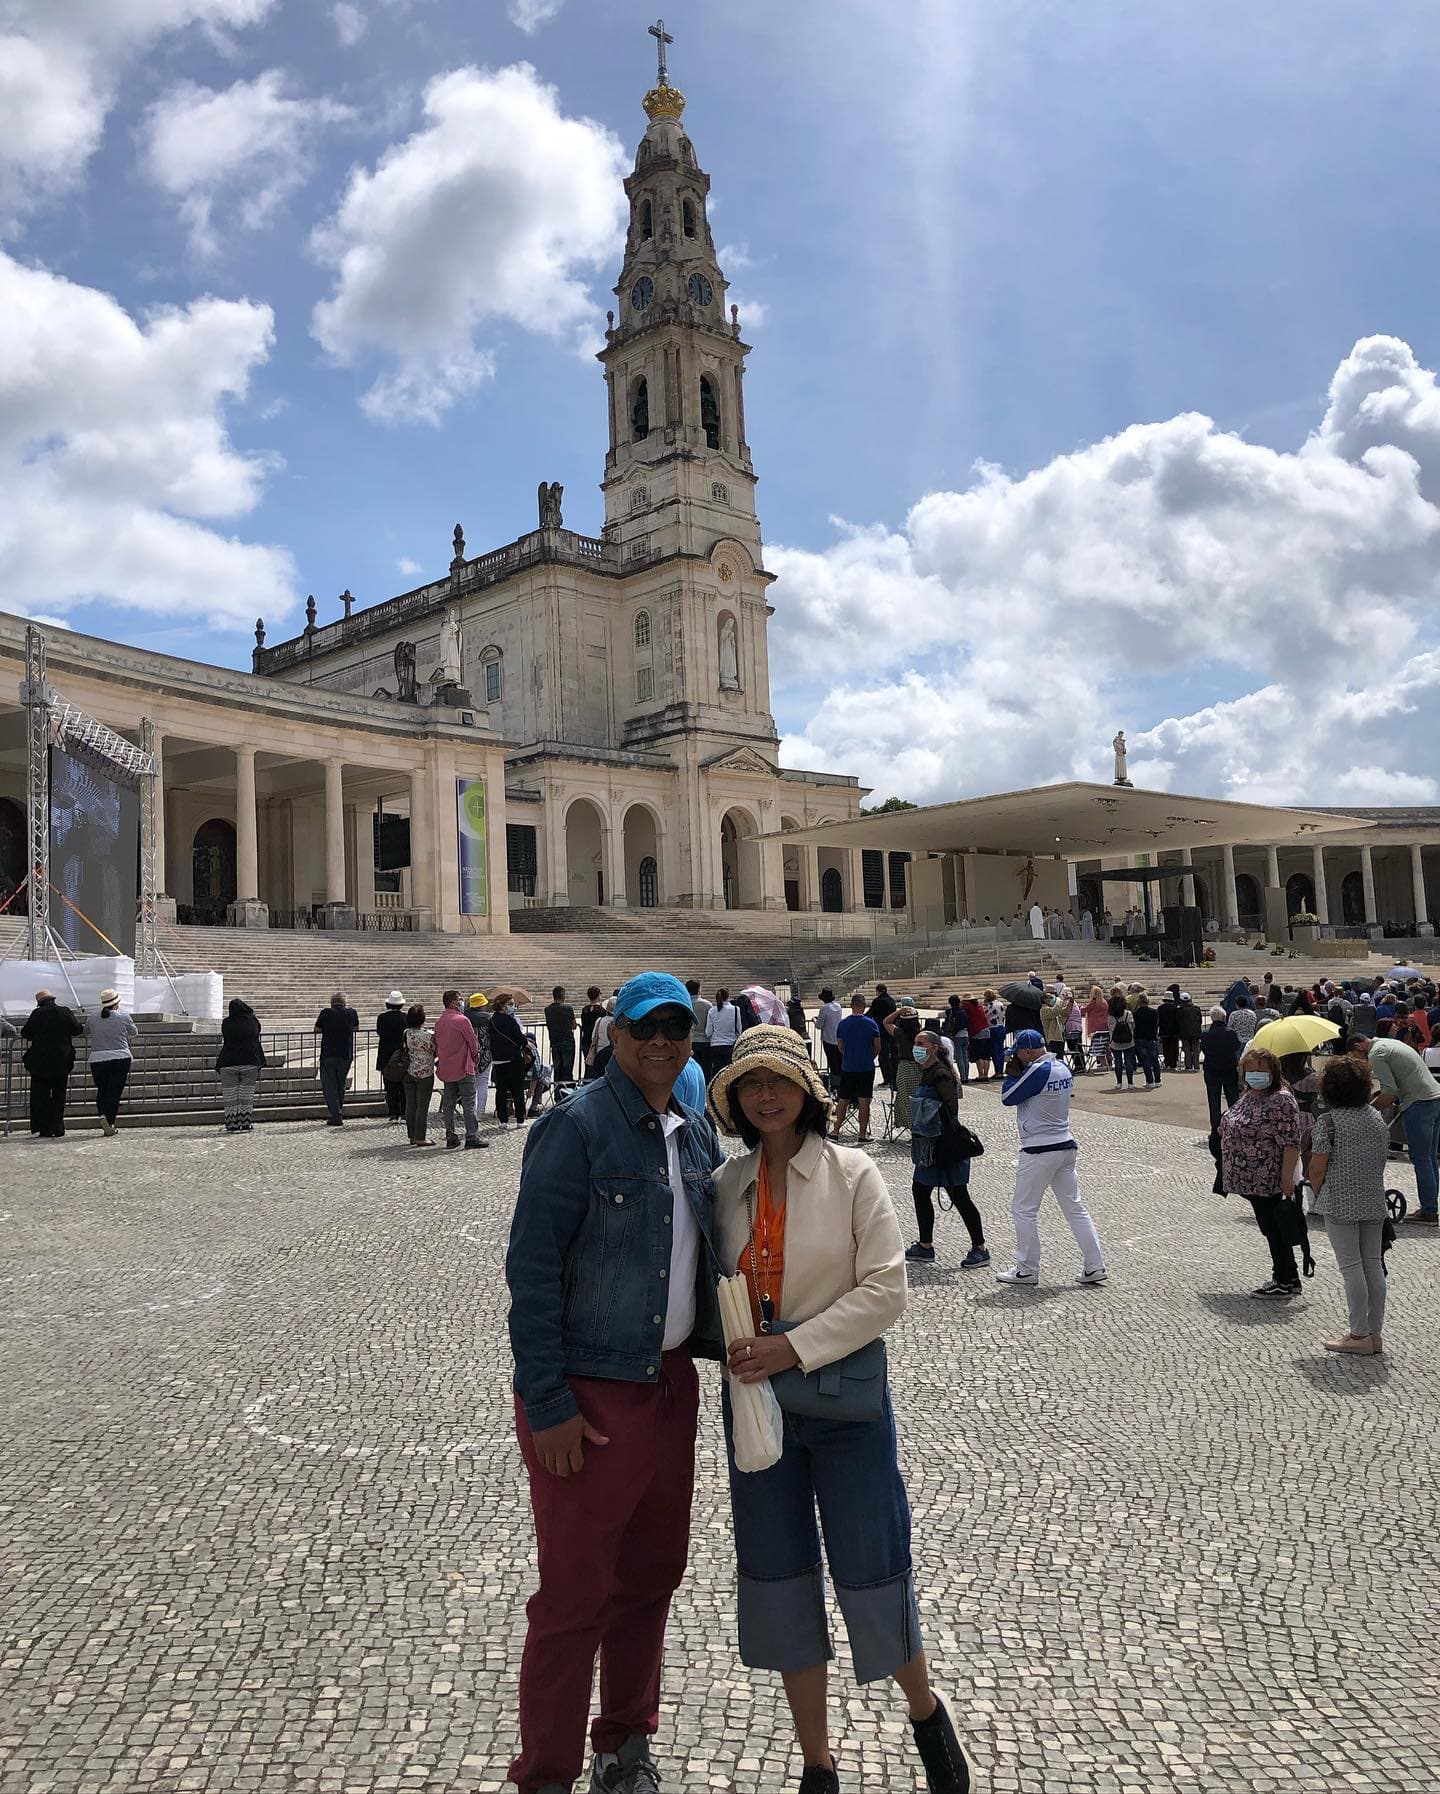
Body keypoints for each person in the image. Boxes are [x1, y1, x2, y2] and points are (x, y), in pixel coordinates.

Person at [708, 1025, 978, 1794]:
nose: (767, 1096)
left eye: (780, 1083)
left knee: (871, 1568)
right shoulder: (726, 1185)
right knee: (781, 1577)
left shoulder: (853, 1172)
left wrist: (790, 1347)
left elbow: (885, 1291)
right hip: (759, 1411)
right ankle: (817, 1765)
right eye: (752, 1084)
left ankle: (925, 1713)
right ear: (735, 1098)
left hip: (842, 1407)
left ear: (807, 1093)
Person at [504, 972, 723, 1794]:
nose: (661, 1041)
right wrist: (548, 1403)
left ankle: (625, 1742)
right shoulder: (577, 1127)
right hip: (592, 1395)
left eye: (676, 1027)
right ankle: (547, 1774)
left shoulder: (694, 1134)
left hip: (669, 1386)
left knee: (651, 1579)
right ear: (615, 1037)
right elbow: (532, 1271)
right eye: (645, 1028)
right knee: (573, 1598)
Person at [996, 1030, 1107, 1287]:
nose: (1016, 1060)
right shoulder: (1062, 1068)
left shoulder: (1038, 1070)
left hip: (1039, 1149)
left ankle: (1026, 1269)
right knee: (1075, 1208)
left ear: (1026, 1052)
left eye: (1017, 1056)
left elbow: (1007, 1097)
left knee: (1023, 1209)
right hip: (1064, 1144)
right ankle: (1095, 1265)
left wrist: (1012, 1074)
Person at [1308, 1054, 1390, 1354]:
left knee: (1351, 1267)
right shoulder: (1375, 1117)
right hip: (1373, 1199)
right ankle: (1374, 1332)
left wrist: (1319, 1194)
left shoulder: (1328, 1122)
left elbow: (1317, 1168)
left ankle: (1358, 1335)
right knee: (1373, 1265)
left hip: (1341, 1202)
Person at [1217, 1048, 1305, 1297]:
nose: (1255, 1075)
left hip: (1268, 1178)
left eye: (1261, 1071)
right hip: (1250, 1179)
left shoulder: (1281, 1099)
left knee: (1274, 1229)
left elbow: (1291, 1142)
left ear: (1273, 1072)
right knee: (1270, 1228)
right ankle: (1289, 1276)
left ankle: (1284, 1279)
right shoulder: (1250, 1093)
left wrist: (1287, 1178)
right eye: (1251, 1070)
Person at [905, 1030, 988, 1270]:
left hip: (944, 1144)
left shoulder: (940, 1073)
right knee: (920, 1191)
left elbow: (951, 1106)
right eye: (915, 1043)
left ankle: (980, 1247)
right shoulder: (928, 1071)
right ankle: (925, 1245)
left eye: (920, 1043)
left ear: (933, 1047)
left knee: (959, 1196)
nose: (916, 1047)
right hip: (930, 1146)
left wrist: (929, 1109)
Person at [1353, 1034, 1440, 1227]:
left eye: (1355, 1057)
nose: (1358, 1063)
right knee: (1430, 1158)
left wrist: (1365, 1111)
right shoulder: (1389, 1043)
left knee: (1421, 1159)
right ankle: (1430, 1207)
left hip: (1418, 1103)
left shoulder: (1376, 1054)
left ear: (1359, 1046)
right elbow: (1395, 1084)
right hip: (1434, 1098)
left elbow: (1389, 1094)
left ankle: (1429, 1212)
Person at [20, 988, 82, 1138]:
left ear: (40, 1003)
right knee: (59, 1095)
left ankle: (44, 1128)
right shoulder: (65, 1011)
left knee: (41, 1096)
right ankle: (58, 1127)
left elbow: (25, 1032)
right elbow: (77, 1029)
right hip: (62, 1060)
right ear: (53, 1000)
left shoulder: (37, 1014)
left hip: (40, 1062)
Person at [85, 987, 138, 1137]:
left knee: (102, 1089)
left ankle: (102, 1113)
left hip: (97, 1058)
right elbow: (134, 1032)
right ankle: (109, 1120)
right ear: (117, 1003)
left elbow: (86, 1032)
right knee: (114, 1091)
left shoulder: (93, 1017)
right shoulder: (123, 1016)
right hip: (119, 1056)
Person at [435, 989, 483, 1151]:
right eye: (461, 1000)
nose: (463, 1002)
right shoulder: (462, 1020)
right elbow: (473, 1043)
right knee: (469, 1102)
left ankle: (451, 1136)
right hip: (464, 1066)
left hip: (447, 1068)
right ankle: (471, 1136)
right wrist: (475, 1056)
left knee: (449, 1104)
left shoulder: (439, 1021)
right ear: (454, 1003)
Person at [833, 993, 881, 1144]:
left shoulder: (842, 1024)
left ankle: (835, 1131)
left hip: (848, 1066)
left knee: (843, 1099)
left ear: (851, 1006)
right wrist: (868, 1056)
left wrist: (849, 1056)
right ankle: (862, 1134)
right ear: (864, 1006)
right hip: (866, 1067)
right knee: (864, 1101)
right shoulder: (872, 1024)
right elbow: (877, 1047)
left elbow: (840, 1046)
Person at [215, 996, 265, 1132]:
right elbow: (257, 1031)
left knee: (230, 1096)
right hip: (249, 1062)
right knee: (246, 1096)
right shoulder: (252, 1022)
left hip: (228, 1062)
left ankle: (232, 1124)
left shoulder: (226, 1023)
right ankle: (245, 1123)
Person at [313, 991, 359, 1126]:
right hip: (345, 1053)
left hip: (328, 1054)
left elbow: (316, 1029)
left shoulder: (326, 1013)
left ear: (332, 1003)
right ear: (344, 1003)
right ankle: (338, 1110)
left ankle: (335, 1114)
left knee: (329, 1085)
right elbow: (356, 1027)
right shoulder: (352, 1013)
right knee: (340, 1084)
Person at [491, 991, 530, 1129]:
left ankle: (503, 1120)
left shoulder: (492, 1020)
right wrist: (526, 1045)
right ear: (502, 1005)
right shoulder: (510, 1020)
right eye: (510, 1004)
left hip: (498, 1060)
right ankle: (520, 1119)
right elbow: (520, 1038)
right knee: (517, 1090)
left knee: (500, 1090)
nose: (512, 1007)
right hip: (513, 1059)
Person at [1200, 1005, 1242, 1130]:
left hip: (1212, 1070)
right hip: (1229, 1069)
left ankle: (1215, 1127)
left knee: (1213, 1101)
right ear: (1224, 1017)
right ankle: (1234, 1125)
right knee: (1233, 1099)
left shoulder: (1206, 1034)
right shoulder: (1231, 1033)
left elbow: (1204, 1049)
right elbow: (1236, 1047)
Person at [884, 999, 923, 1129]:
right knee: (919, 1099)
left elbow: (886, 1022)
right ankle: (919, 1125)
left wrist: (898, 1011)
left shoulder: (900, 1033)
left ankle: (909, 1124)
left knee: (904, 1099)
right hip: (920, 1069)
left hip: (904, 1069)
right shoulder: (922, 1035)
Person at [401, 1003, 437, 1145]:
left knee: (411, 1105)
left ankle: (412, 1135)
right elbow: (435, 1051)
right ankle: (421, 1137)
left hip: (409, 1070)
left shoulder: (406, 1033)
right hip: (425, 1073)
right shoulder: (429, 1035)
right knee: (422, 1106)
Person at [377, 991, 409, 1124]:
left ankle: (393, 1113)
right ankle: (404, 1112)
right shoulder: (406, 1017)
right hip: (402, 1055)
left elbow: (379, 1032)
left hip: (386, 1055)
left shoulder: (382, 1018)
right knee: (403, 1085)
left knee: (389, 1086)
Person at [466, 993, 496, 1119]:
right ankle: (480, 1111)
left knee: (469, 1084)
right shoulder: (488, 1018)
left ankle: (470, 1111)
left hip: (469, 1055)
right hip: (485, 1054)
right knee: (483, 1083)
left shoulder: (464, 1017)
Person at [545, 986, 578, 1085]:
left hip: (555, 1042)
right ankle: (567, 1091)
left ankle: (557, 1092)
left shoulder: (547, 1010)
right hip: (567, 1041)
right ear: (562, 996)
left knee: (558, 1068)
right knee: (567, 1069)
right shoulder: (568, 1009)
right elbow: (574, 1025)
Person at [705, 987, 742, 1073]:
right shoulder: (736, 1009)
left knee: (718, 1072)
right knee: (730, 1071)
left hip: (715, 1044)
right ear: (728, 996)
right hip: (730, 1044)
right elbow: (739, 1029)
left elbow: (708, 1032)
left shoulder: (712, 1011)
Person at [869, 984, 899, 1088]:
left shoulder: (878, 1001)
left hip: (881, 1031)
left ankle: (887, 1079)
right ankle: (894, 1078)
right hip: (891, 1031)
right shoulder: (891, 1001)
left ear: (878, 991)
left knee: (883, 1056)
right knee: (893, 1055)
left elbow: (870, 1013)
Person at [1107, 994, 1136, 1091]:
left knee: (1118, 1062)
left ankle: (1119, 1083)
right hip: (1129, 1041)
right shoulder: (1128, 1014)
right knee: (1129, 1062)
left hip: (1115, 1043)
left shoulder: (1111, 1017)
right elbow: (1133, 1027)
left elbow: (1109, 1028)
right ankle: (1130, 1083)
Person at [1132, 992, 1161, 1090]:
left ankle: (1150, 1080)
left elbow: (1134, 1027)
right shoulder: (1154, 1012)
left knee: (1145, 1060)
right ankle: (1157, 1080)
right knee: (1154, 1059)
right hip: (1151, 1037)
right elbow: (1156, 1024)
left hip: (1140, 1038)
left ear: (1139, 1002)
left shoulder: (1135, 1013)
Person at [816, 987, 844, 1089]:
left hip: (828, 1039)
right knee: (840, 1061)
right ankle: (842, 1081)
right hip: (838, 1037)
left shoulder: (825, 1008)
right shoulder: (838, 1006)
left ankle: (835, 1084)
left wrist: (815, 1020)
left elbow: (819, 1025)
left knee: (832, 1062)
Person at [685, 978, 712, 1080]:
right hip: (705, 1041)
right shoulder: (707, 1005)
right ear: (699, 989)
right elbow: (710, 1025)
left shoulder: (686, 1005)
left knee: (690, 1069)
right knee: (705, 1069)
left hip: (690, 1041)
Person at [961, 995, 991, 1081]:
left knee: (978, 1055)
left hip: (976, 1032)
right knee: (986, 1056)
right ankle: (986, 1075)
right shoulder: (979, 1006)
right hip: (986, 1031)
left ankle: (981, 1075)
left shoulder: (967, 1007)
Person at [1083, 984, 1111, 1071]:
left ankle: (1103, 1062)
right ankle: (1109, 1061)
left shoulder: (1093, 1002)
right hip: (1105, 1026)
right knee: (1106, 1046)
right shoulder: (1104, 1002)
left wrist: (1082, 1006)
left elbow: (1084, 1010)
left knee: (1097, 1046)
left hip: (1095, 1027)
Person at [587, 1001, 616, 1081]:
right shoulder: (617, 1022)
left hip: (600, 1053)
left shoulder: (600, 1020)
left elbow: (593, 1037)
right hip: (614, 1054)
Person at [580, 986, 607, 1064]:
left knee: (588, 1062)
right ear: (598, 995)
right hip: (596, 1041)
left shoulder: (585, 1010)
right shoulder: (601, 1010)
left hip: (586, 1039)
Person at [1177, 991, 1203, 1072]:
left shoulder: (1180, 1010)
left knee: (1187, 1050)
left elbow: (1178, 1021)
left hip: (1184, 1033)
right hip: (1196, 1032)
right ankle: (1196, 1066)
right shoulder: (1196, 1009)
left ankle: (1188, 1066)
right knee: (1196, 1050)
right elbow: (1200, 1020)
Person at [1157, 990, 1181, 1074]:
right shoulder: (1175, 1008)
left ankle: (1167, 1063)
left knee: (1166, 1048)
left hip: (1164, 1030)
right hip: (1174, 1031)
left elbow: (1158, 1020)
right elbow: (1178, 1020)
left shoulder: (1160, 1008)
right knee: (1174, 1047)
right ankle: (1173, 1064)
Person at [984, 988, 1007, 1078]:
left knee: (994, 1051)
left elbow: (985, 1016)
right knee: (1000, 1050)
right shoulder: (1000, 1003)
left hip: (993, 1028)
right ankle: (1000, 1070)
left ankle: (997, 1071)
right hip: (1001, 1027)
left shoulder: (989, 1006)